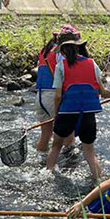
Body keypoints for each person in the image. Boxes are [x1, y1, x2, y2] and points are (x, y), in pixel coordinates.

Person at [46, 32, 110, 180]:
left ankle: (47, 177)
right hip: (87, 114)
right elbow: (102, 91)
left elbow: (58, 96)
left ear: (62, 51)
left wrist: (56, 115)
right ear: (78, 47)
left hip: (66, 113)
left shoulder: (60, 66)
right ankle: (99, 182)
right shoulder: (91, 63)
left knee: (56, 147)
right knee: (89, 151)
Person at [34, 26, 79, 160]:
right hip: (53, 95)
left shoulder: (45, 51)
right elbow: (64, 76)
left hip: (40, 96)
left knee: (46, 133)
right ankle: (69, 164)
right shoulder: (60, 52)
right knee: (68, 132)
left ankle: (40, 160)